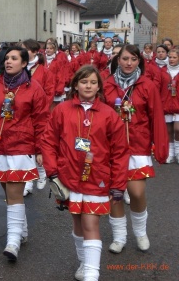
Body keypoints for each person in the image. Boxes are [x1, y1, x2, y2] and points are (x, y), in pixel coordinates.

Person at [42, 65, 129, 281]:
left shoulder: (109, 114)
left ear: (99, 86)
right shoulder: (62, 110)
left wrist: (118, 184)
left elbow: (120, 152)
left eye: (92, 82)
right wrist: (53, 172)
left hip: (97, 178)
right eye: (83, 81)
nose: (88, 86)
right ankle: (83, 262)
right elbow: (48, 141)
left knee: (91, 223)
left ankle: (92, 273)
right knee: (77, 223)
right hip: (68, 177)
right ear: (75, 85)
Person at [0, 47, 48, 261]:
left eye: (14, 58)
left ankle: (13, 241)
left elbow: (42, 120)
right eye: (6, 58)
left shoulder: (34, 88)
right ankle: (22, 231)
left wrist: (40, 149)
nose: (8, 61)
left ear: (25, 63)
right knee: (9, 195)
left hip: (21, 147)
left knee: (15, 194)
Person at [103, 44, 168, 254]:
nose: (129, 63)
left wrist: (160, 148)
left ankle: (140, 232)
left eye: (133, 59)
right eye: (124, 59)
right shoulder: (107, 85)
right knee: (115, 193)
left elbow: (156, 116)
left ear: (139, 60)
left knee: (137, 192)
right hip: (110, 148)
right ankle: (119, 236)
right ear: (118, 60)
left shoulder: (147, 85)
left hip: (138, 146)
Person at [21, 38, 53, 195]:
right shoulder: (19, 67)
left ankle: (41, 170)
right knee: (25, 147)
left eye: (26, 49)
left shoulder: (44, 70)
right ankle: (27, 183)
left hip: (38, 112)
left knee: (37, 145)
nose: (23, 52)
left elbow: (49, 91)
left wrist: (41, 107)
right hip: (22, 112)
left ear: (34, 52)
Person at [160, 48, 179, 163]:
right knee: (168, 130)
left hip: (177, 104)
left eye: (174, 57)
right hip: (166, 103)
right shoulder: (162, 71)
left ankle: (178, 151)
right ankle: (170, 153)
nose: (171, 59)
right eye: (170, 57)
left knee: (178, 129)